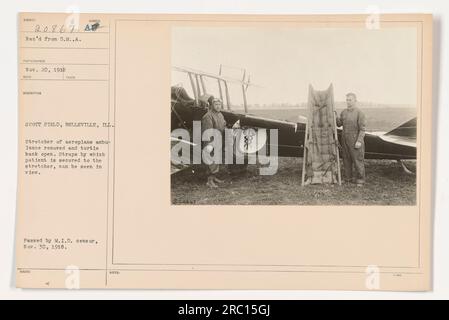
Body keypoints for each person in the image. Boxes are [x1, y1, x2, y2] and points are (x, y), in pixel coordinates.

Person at [336, 93, 367, 186]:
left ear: (355, 101)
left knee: (357, 160)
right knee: (346, 159)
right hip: (344, 139)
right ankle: (348, 178)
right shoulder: (344, 112)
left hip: (355, 140)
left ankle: (360, 180)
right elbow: (339, 124)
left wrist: (359, 141)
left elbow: (362, 129)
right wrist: (335, 116)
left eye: (350, 100)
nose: (348, 102)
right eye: (347, 100)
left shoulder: (359, 113)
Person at [201, 97, 227, 188]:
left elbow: (223, 126)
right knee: (211, 160)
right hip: (211, 141)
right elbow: (207, 131)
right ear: (212, 105)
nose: (218, 106)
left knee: (216, 160)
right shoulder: (208, 116)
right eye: (216, 104)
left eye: (219, 104)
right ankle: (209, 181)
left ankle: (214, 177)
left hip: (218, 140)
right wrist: (209, 145)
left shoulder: (220, 115)